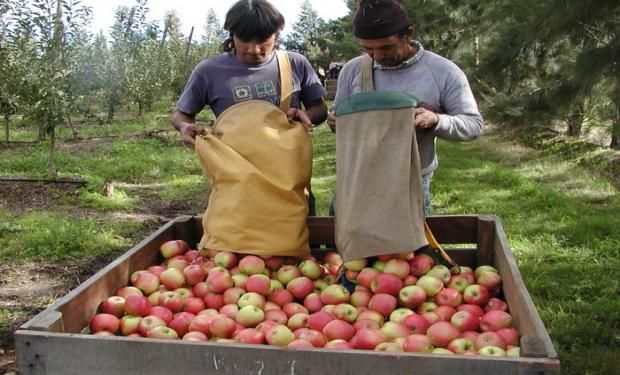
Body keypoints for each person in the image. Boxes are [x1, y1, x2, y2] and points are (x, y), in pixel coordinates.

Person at [327, 0, 483, 215]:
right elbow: (337, 114)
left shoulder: (443, 72)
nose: (378, 57)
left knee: (407, 249)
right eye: (369, 50)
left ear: (408, 34)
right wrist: (335, 121)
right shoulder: (353, 70)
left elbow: (473, 125)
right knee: (344, 247)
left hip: (410, 185)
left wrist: (436, 120)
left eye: (386, 47)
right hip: (356, 182)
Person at [171, 0, 327, 215]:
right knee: (242, 238)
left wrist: (305, 116)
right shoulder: (209, 71)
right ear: (232, 35)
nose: (253, 49)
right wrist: (184, 126)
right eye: (244, 40)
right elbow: (181, 113)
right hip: (236, 181)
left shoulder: (295, 64)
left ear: (276, 35)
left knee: (297, 238)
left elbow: (319, 108)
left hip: (289, 181)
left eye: (263, 40)